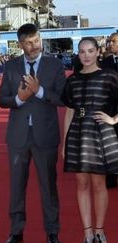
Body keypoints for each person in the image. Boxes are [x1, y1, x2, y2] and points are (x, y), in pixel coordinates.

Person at [0, 23, 66, 243]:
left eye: (36, 40)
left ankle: (52, 233)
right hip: (17, 137)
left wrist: (39, 91)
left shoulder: (54, 66)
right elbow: (2, 99)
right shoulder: (11, 67)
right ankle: (16, 232)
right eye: (28, 42)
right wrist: (19, 99)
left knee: (49, 186)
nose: (34, 45)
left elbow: (62, 98)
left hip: (45, 135)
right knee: (16, 186)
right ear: (20, 44)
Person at [62, 37, 118, 243]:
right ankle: (87, 233)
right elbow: (69, 111)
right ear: (78, 54)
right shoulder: (72, 80)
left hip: (100, 133)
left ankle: (99, 231)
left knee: (98, 184)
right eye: (82, 51)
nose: (86, 55)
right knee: (81, 183)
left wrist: (113, 119)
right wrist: (65, 142)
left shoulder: (109, 76)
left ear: (97, 52)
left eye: (90, 50)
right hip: (77, 132)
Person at [102, 32, 118, 189]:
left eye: (113, 41)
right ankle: (111, 177)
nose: (110, 44)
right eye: (109, 41)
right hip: (109, 110)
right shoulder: (105, 62)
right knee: (110, 144)